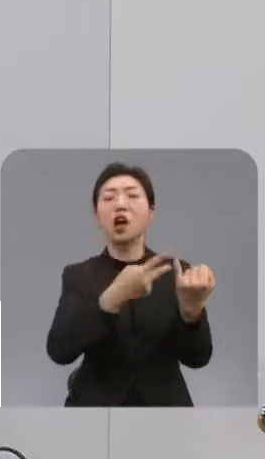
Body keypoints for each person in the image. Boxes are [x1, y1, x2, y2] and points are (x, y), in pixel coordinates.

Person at [44, 161, 216, 406]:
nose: (120, 204)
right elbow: (59, 351)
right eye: (109, 198)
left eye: (133, 195)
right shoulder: (78, 275)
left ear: (151, 211)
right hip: (95, 411)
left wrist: (191, 312)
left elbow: (197, 359)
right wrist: (111, 300)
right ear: (96, 215)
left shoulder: (177, 273)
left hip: (165, 412)